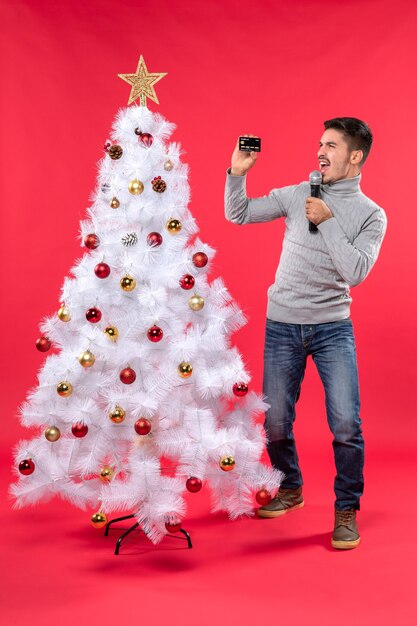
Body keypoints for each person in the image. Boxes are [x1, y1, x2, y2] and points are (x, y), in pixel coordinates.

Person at [224, 117, 387, 550]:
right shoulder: (299, 193)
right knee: (276, 420)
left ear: (355, 156)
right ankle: (291, 488)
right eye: (320, 144)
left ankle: (346, 509)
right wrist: (237, 175)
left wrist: (329, 219)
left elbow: (355, 272)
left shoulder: (372, 215)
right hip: (283, 323)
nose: (320, 151)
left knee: (346, 423)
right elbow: (238, 214)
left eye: (331, 146)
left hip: (333, 328)